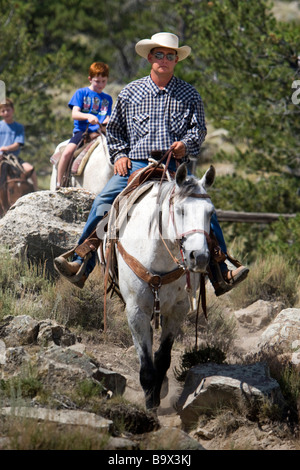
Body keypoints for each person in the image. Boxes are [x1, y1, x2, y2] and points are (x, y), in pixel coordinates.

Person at [54, 32, 249, 294]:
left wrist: (186, 145)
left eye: (171, 56)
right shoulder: (130, 92)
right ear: (150, 57)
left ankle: (221, 270)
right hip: (136, 166)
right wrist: (119, 156)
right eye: (159, 54)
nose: (165, 60)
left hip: (174, 170)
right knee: (103, 203)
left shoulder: (190, 94)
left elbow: (198, 131)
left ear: (176, 60)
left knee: (204, 208)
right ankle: (81, 263)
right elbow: (115, 132)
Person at [56, 62, 113, 189]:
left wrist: (108, 121)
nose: (101, 85)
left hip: (100, 133)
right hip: (83, 132)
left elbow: (107, 116)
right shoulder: (81, 93)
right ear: (90, 79)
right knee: (67, 152)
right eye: (97, 81)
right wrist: (88, 116)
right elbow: (75, 114)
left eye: (104, 81)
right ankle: (59, 183)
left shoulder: (107, 98)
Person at [0, 98, 38, 190]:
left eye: (8, 110)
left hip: (13, 158)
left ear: (13, 110)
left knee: (30, 170)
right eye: (3, 111)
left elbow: (17, 144)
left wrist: (6, 148)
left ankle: (36, 191)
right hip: (0, 156)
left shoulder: (18, 127)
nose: (6, 113)